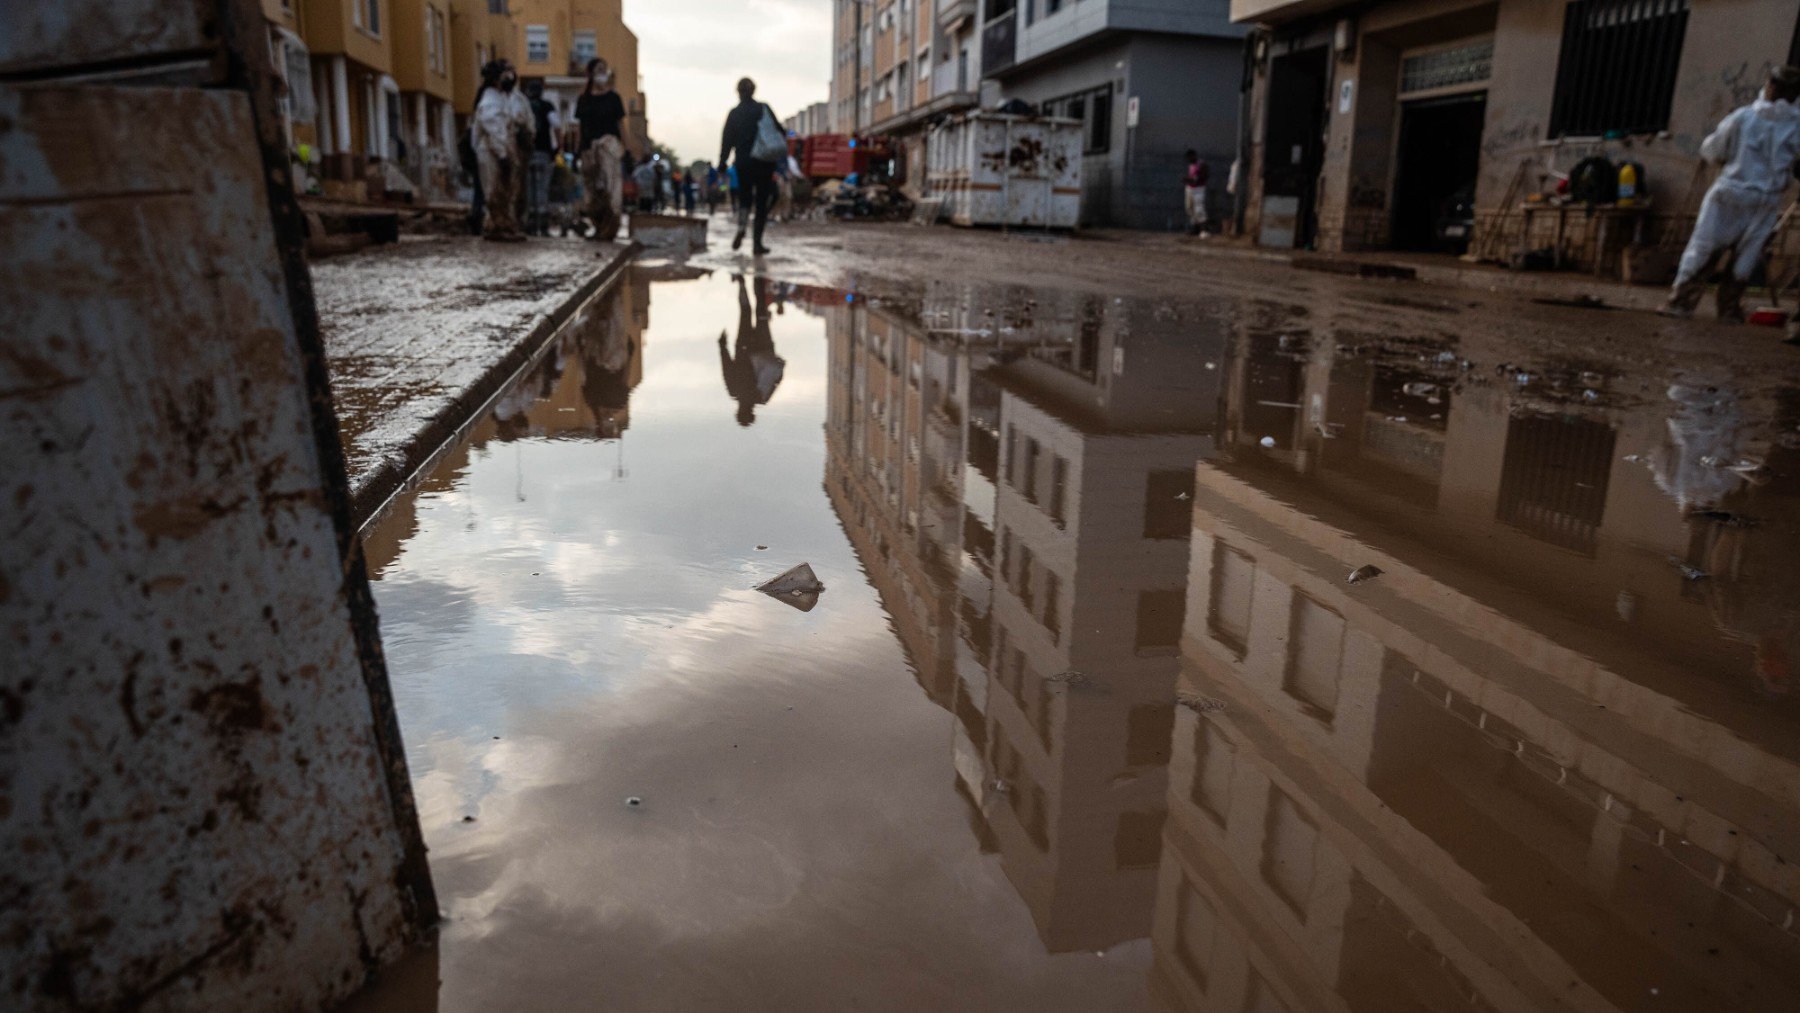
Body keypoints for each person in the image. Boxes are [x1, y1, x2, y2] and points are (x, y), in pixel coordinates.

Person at [1663, 66, 1800, 321]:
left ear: (1769, 86)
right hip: (1765, 200)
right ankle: (1728, 310)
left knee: (1704, 248)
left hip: (1731, 194)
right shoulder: (1795, 124)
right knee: (1746, 255)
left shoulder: (1743, 117)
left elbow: (1714, 151)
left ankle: (1681, 303)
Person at [472, 60, 533, 241]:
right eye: (506, 73)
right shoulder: (490, 100)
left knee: (506, 190)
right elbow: (494, 131)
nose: (511, 77)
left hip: (502, 150)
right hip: (492, 152)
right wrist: (503, 155)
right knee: (495, 190)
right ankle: (498, 227)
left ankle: (501, 226)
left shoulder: (504, 97)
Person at [719, 77, 781, 254]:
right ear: (754, 90)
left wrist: (723, 162)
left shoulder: (734, 113)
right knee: (762, 201)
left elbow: (727, 140)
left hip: (743, 162)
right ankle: (757, 243)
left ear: (738, 92)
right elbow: (777, 130)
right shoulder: (763, 108)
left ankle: (741, 227)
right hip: (763, 161)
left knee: (745, 198)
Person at [718, 274, 785, 425]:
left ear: (752, 413)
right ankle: (743, 284)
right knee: (745, 312)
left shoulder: (761, 398)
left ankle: (759, 281)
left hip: (764, 347)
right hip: (744, 346)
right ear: (738, 411)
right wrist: (722, 345)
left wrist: (776, 362)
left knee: (761, 310)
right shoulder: (734, 391)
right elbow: (726, 367)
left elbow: (777, 378)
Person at [574, 58, 627, 240]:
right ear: (590, 73)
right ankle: (598, 227)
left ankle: (609, 229)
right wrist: (578, 150)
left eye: (605, 69)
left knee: (609, 189)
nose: (602, 72)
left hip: (610, 148)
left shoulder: (613, 98)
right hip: (590, 151)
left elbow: (621, 125)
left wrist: (625, 149)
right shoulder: (584, 99)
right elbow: (581, 126)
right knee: (592, 192)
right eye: (599, 69)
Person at [523, 79, 560, 237]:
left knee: (528, 188)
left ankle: (530, 225)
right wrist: (557, 147)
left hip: (526, 152)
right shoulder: (547, 106)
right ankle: (543, 225)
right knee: (542, 188)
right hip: (543, 152)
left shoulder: (524, 106)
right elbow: (557, 125)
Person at [1183, 149, 1211, 236]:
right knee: (1189, 208)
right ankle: (1195, 227)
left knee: (1199, 209)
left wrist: (1193, 180)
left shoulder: (1201, 164)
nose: (1189, 160)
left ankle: (1204, 230)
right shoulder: (1191, 165)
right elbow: (1191, 177)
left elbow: (1203, 176)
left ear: (1194, 156)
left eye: (1190, 157)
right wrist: (1187, 179)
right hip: (1190, 189)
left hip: (1198, 189)